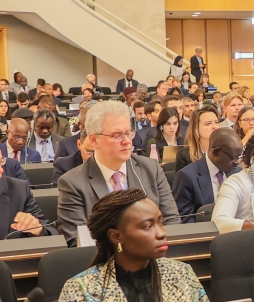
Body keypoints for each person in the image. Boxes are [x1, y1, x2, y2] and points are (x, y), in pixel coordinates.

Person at [46, 189, 209, 302]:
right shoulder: (81, 289)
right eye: (148, 226)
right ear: (116, 236)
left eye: (161, 223)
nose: (161, 233)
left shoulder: (181, 273)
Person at [58, 102, 179, 246]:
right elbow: (78, 242)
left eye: (128, 133)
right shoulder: (72, 183)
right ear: (94, 140)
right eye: (116, 136)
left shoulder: (151, 169)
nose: (127, 141)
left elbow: (172, 221)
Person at [172, 128, 242, 224]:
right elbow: (186, 220)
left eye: (239, 157)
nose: (237, 162)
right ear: (216, 152)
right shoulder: (187, 177)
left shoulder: (237, 173)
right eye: (234, 158)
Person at [174, 107, 221, 173]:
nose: (214, 126)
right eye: (208, 123)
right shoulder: (184, 156)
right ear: (196, 128)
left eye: (216, 122)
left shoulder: (225, 152)